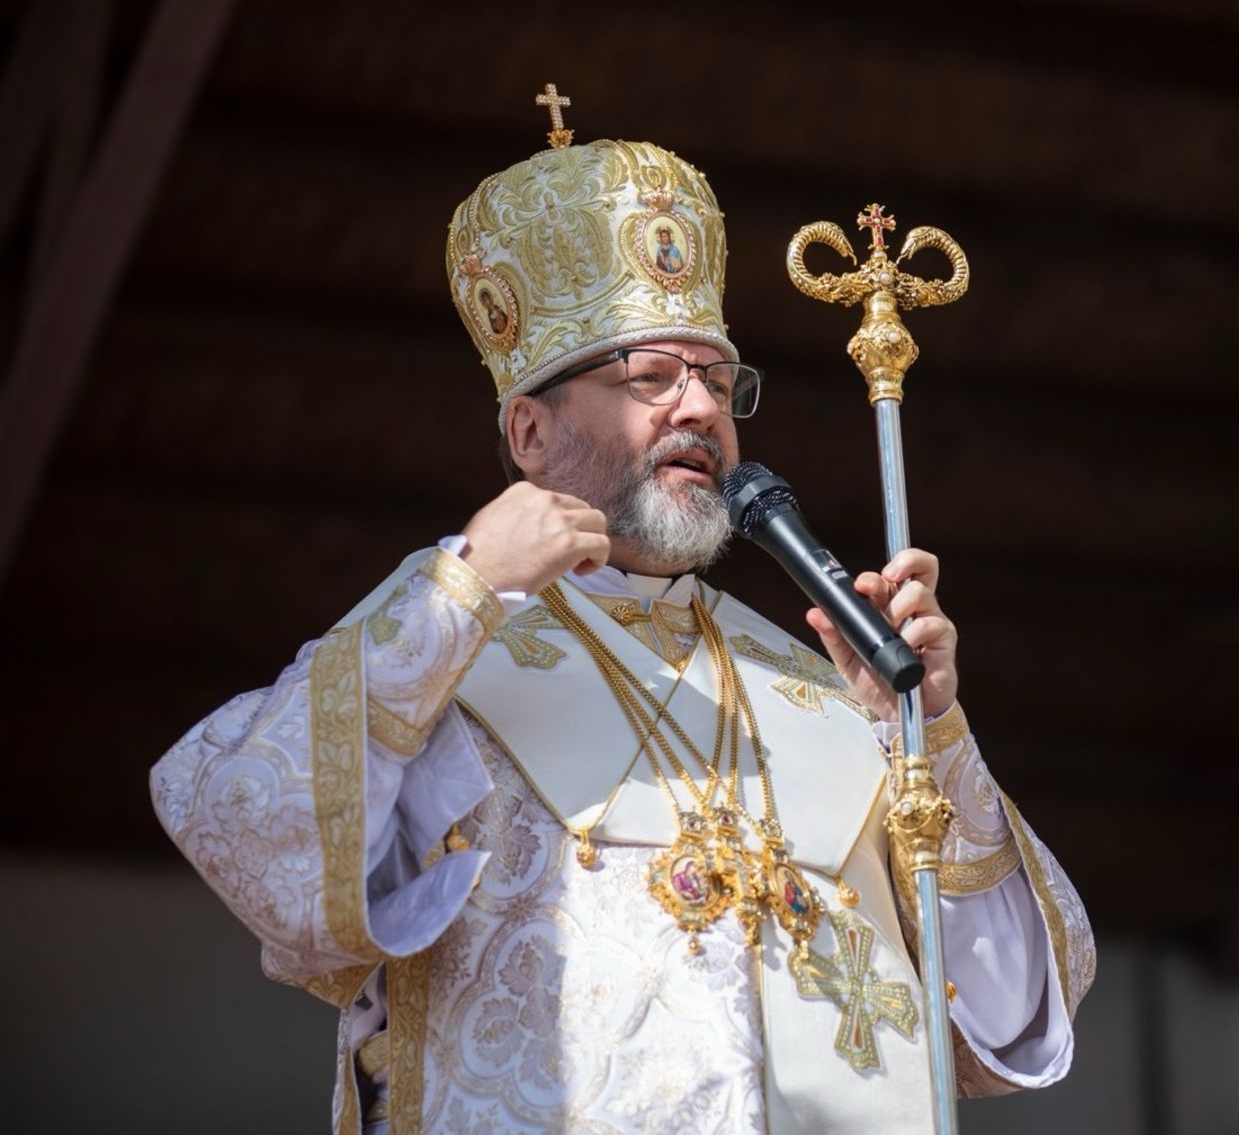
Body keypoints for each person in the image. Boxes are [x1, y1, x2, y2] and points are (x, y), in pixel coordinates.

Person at [150, 130, 1093, 1134]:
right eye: (650, 376)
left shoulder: (820, 688)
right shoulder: (443, 645)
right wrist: (466, 590)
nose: (700, 407)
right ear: (530, 434)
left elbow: (1008, 1018)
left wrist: (929, 731)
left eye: (720, 382)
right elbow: (259, 844)